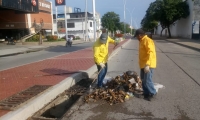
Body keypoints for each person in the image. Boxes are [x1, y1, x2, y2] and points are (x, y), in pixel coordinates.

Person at [134, 28, 157, 101]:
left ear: (140, 35)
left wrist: (148, 65)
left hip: (148, 65)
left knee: (147, 80)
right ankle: (146, 93)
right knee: (143, 80)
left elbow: (151, 53)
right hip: (143, 64)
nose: (136, 38)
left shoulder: (147, 41)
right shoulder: (141, 40)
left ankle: (153, 92)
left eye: (137, 36)